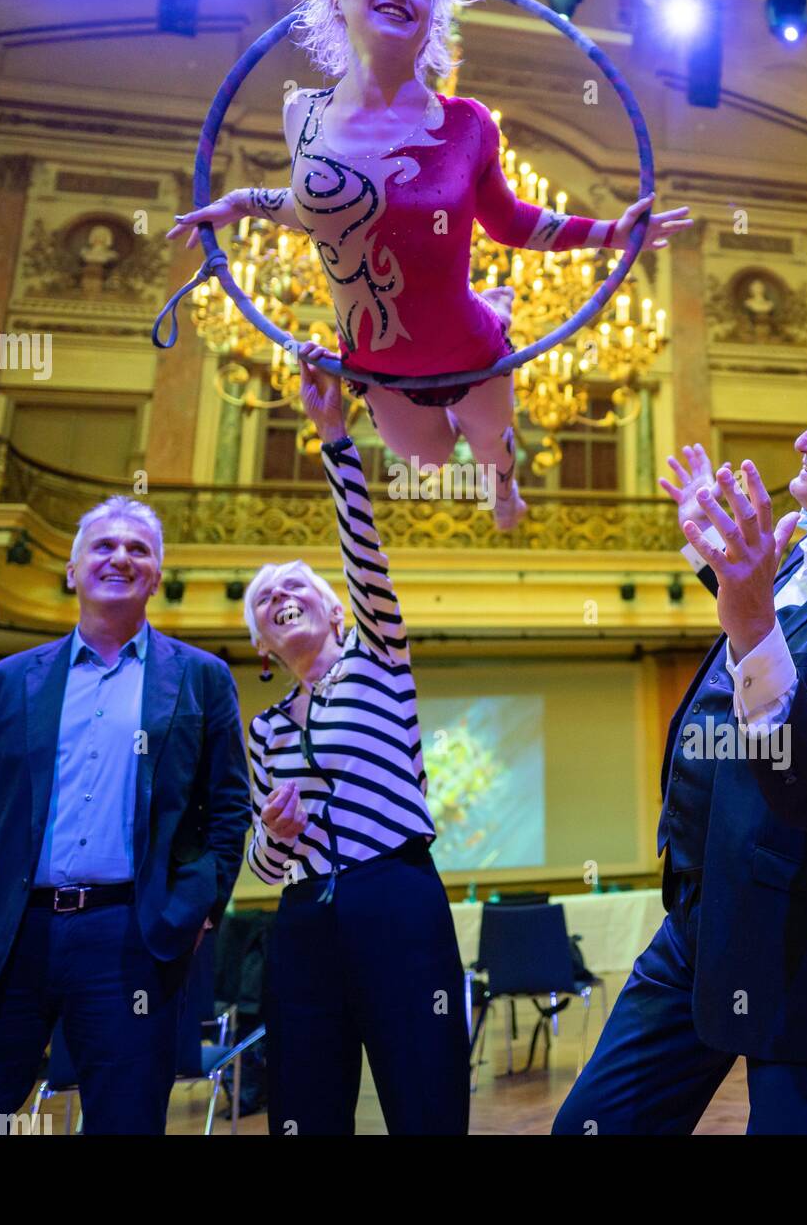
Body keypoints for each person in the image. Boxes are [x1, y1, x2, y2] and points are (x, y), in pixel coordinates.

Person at [167, 0, 692, 531]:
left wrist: (609, 232)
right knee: (431, 459)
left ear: (431, 17)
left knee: (495, 449)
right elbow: (336, 208)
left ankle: (504, 470)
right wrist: (248, 201)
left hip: (469, 349)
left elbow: (508, 222)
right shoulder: (300, 113)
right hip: (377, 363)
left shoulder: (467, 122)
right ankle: (493, 311)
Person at [553, 362, 807, 1135]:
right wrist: (718, 555)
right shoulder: (804, 554)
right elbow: (773, 623)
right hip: (701, 922)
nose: (804, 440)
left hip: (804, 940)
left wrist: (746, 614)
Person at [0, 497, 250, 1135]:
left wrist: (199, 908)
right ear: (73, 571)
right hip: (1, 935)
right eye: (103, 546)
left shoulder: (202, 680)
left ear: (157, 577)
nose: (121, 557)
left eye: (139, 549)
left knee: (127, 1122)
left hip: (131, 941)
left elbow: (227, 810)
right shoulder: (3, 683)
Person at [240, 341, 469, 1135]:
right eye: (266, 601)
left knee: (424, 1090)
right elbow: (263, 866)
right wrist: (274, 837)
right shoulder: (264, 727)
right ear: (263, 647)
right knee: (304, 1102)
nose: (282, 597)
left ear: (337, 611)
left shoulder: (378, 660)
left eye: (296, 585)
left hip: (395, 897)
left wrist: (334, 434)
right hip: (302, 918)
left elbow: (364, 557)